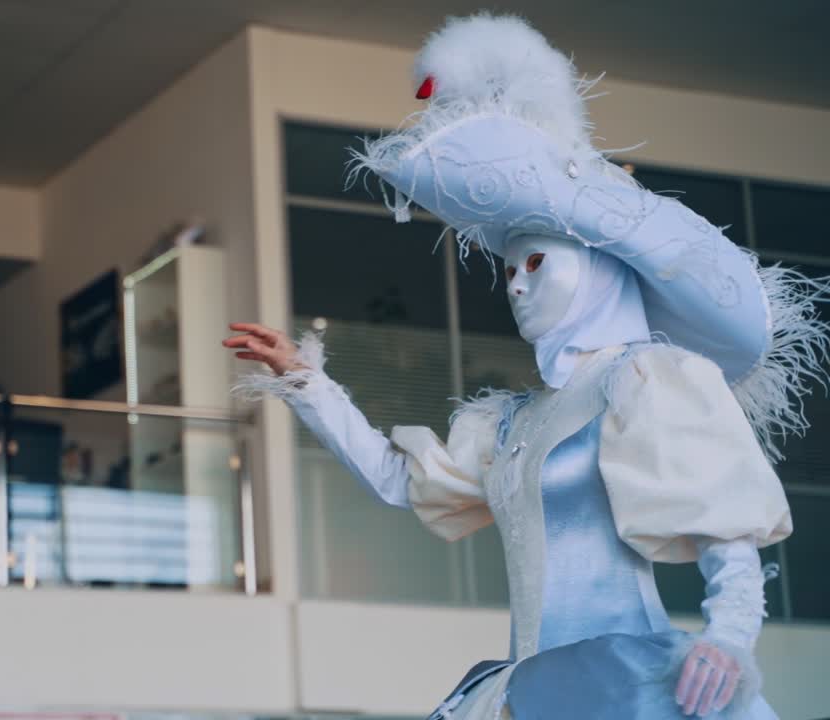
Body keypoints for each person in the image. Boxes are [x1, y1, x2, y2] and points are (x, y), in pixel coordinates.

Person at [227, 14, 827, 720]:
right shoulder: (514, 423)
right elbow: (398, 483)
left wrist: (729, 640)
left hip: (628, 687)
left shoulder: (645, 379)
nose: (516, 282)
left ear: (603, 269)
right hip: (528, 689)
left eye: (538, 262)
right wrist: (304, 381)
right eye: (509, 268)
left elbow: (728, 531)